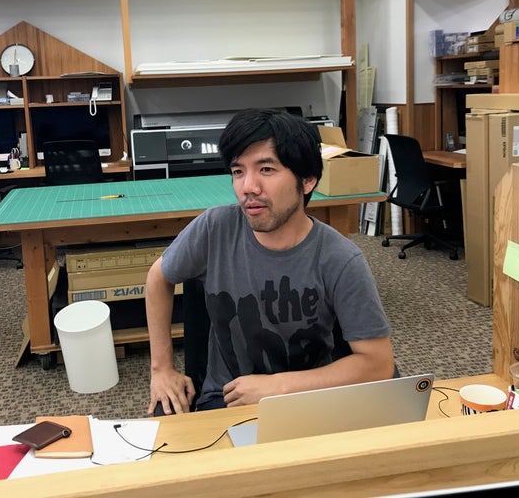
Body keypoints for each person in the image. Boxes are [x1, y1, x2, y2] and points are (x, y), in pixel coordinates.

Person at [146, 108, 395, 415]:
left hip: (312, 400)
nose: (248, 187)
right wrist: (161, 369)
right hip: (227, 399)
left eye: (266, 169)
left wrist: (278, 387)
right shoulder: (215, 229)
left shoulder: (340, 259)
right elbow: (158, 277)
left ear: (307, 180)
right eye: (238, 171)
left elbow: (378, 364)